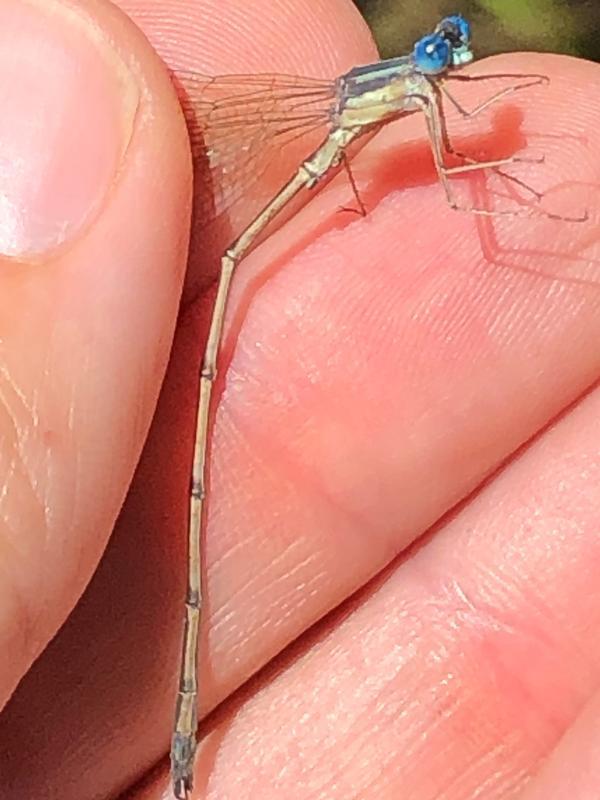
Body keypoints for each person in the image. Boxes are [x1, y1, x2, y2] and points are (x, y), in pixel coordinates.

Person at [1, 1, 599, 798]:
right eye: (439, 53)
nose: (444, 63)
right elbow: (453, 179)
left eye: (445, 54)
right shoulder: (402, 101)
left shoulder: (418, 94)